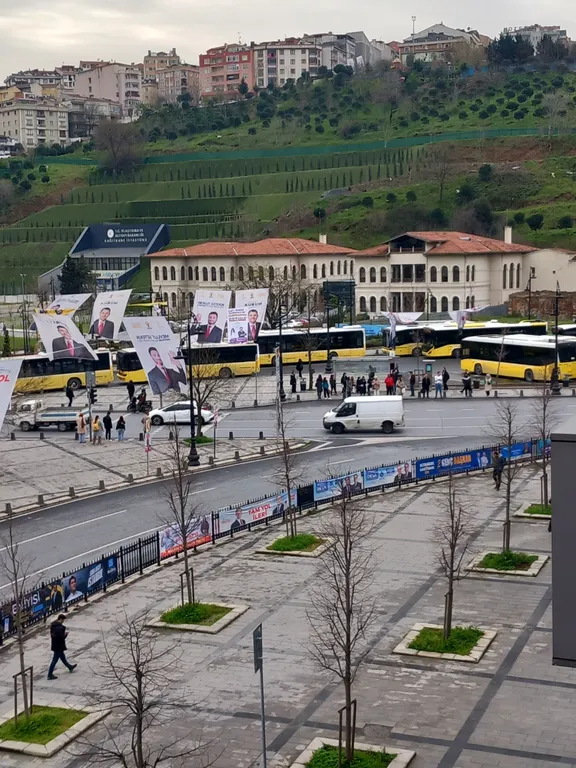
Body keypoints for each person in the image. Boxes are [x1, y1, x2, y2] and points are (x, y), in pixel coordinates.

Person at [47, 615, 77, 680]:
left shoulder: (53, 625)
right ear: (61, 619)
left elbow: (53, 635)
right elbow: (61, 638)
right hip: (59, 646)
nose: (63, 621)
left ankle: (70, 667)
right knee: (54, 660)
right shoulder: (60, 628)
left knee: (63, 657)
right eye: (63, 620)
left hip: (55, 644)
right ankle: (49, 674)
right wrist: (65, 635)